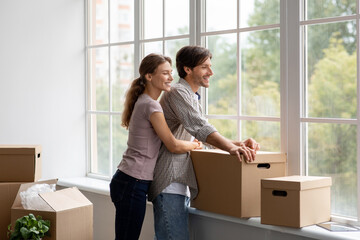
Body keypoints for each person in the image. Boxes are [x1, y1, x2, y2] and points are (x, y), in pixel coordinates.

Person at [148, 46, 260, 240]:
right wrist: (232, 148)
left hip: (179, 183)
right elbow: (200, 127)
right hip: (169, 182)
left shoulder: (190, 95)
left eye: (210, 66)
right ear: (187, 69)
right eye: (204, 67)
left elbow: (200, 137)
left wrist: (238, 143)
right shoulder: (178, 92)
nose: (211, 72)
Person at [109, 53, 202, 240]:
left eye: (170, 72)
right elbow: (173, 145)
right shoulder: (151, 106)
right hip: (132, 182)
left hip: (129, 181)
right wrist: (195, 145)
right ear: (149, 76)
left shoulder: (145, 102)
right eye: (165, 73)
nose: (171, 77)